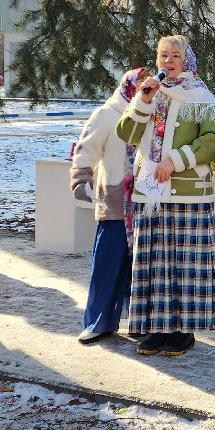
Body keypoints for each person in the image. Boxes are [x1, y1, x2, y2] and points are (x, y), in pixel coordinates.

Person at [116, 36, 215, 357]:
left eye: (175, 55)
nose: (168, 61)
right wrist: (143, 101)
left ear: (186, 60)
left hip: (188, 195)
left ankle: (183, 331)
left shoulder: (198, 96)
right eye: (163, 55)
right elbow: (127, 133)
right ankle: (157, 327)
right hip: (151, 194)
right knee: (154, 263)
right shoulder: (151, 94)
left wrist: (174, 160)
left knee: (184, 265)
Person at [70, 67, 145, 344]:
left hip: (145, 202)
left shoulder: (151, 113)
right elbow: (85, 149)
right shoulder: (107, 113)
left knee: (140, 268)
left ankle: (139, 322)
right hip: (115, 201)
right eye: (139, 84)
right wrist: (81, 181)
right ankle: (98, 322)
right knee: (107, 263)